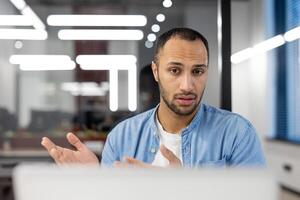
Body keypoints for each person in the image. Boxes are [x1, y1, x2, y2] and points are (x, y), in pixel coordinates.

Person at [41, 27, 265, 167]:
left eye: (197, 71)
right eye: (175, 71)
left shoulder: (237, 133)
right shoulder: (121, 137)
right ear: (156, 72)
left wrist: (185, 191)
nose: (187, 85)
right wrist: (94, 186)